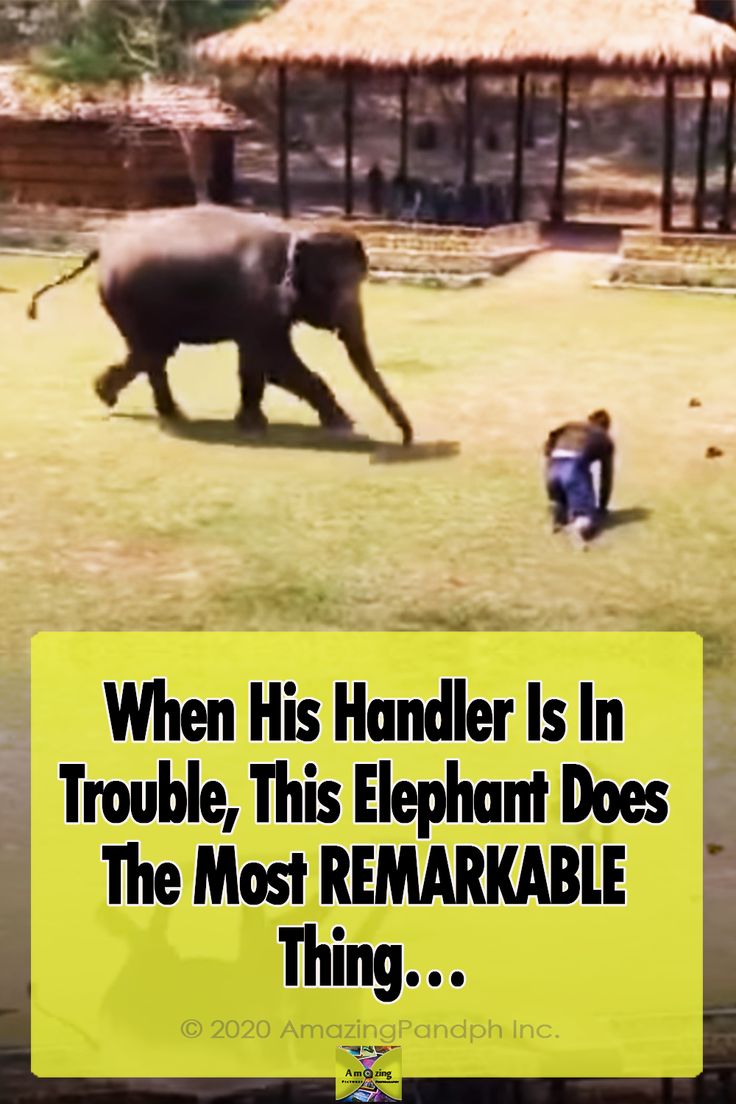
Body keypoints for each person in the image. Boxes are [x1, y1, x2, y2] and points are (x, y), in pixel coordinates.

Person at [544, 409, 615, 542]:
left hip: (553, 468)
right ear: (606, 427)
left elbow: (549, 443)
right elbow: (606, 476)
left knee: (562, 505)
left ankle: (559, 520)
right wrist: (602, 508)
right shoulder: (605, 439)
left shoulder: (571, 426)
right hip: (573, 469)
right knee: (585, 521)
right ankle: (582, 537)